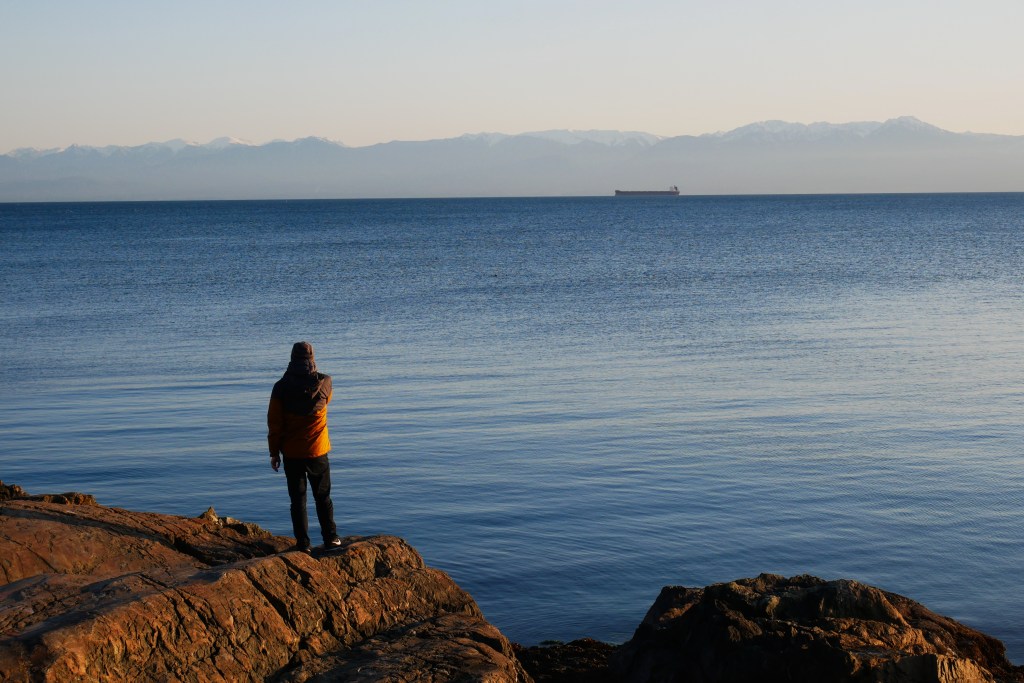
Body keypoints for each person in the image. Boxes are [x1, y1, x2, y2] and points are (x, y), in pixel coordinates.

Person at [267, 341, 341, 553]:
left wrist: (274, 452)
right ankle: (331, 538)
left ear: (292, 358)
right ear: (312, 358)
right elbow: (326, 401)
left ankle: (303, 544)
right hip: (317, 450)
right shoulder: (325, 382)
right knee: (323, 497)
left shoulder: (280, 387)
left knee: (298, 500)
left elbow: (274, 423)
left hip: (292, 452)